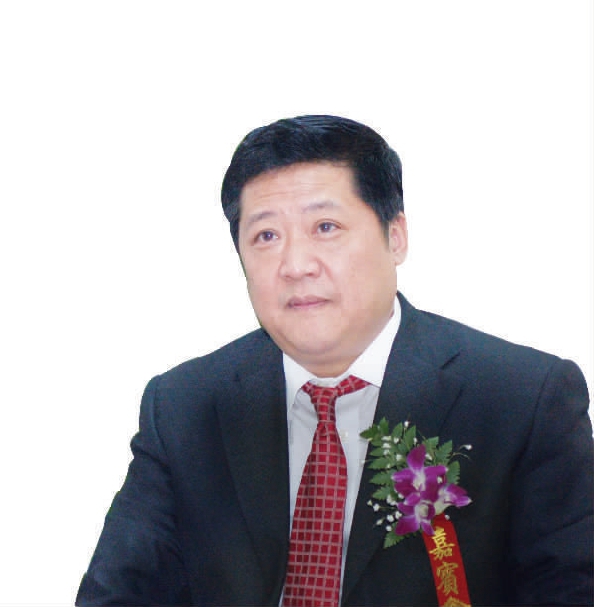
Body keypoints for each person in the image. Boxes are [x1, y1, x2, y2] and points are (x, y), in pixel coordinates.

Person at [76, 115, 593, 606]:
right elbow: (119, 593)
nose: (296, 265)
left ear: (395, 236)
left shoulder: (520, 400)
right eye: (266, 237)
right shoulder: (184, 406)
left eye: (325, 226)